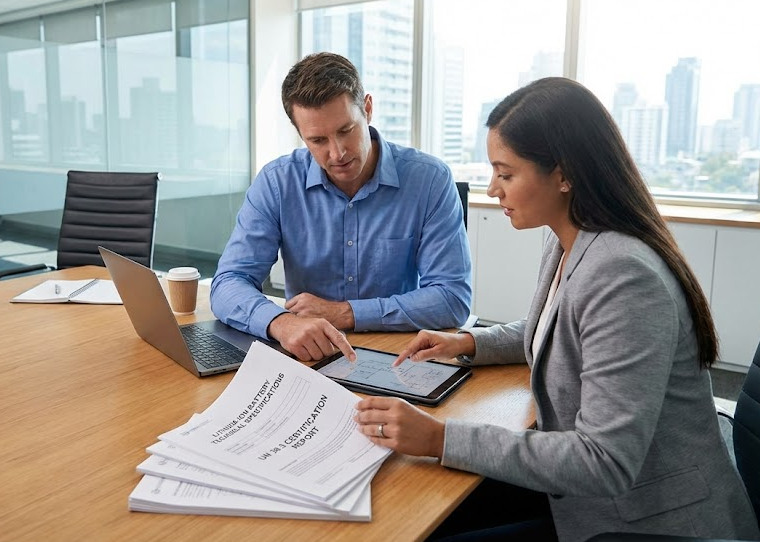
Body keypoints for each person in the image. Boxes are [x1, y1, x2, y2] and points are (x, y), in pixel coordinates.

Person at [354, 77, 760, 542]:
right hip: (585, 498)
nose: (493, 189)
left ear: (564, 175)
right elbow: (558, 326)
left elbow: (603, 462)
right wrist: (468, 341)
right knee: (424, 507)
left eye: (506, 174)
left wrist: (440, 437)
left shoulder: (624, 276)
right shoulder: (569, 237)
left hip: (648, 521)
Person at [210, 52, 473, 362]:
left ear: (368, 109)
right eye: (318, 140)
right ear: (300, 135)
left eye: (346, 130)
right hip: (309, 357)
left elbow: (452, 298)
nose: (337, 153)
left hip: (396, 357)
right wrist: (280, 323)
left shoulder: (429, 179)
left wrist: (347, 313)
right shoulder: (277, 182)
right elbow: (228, 283)